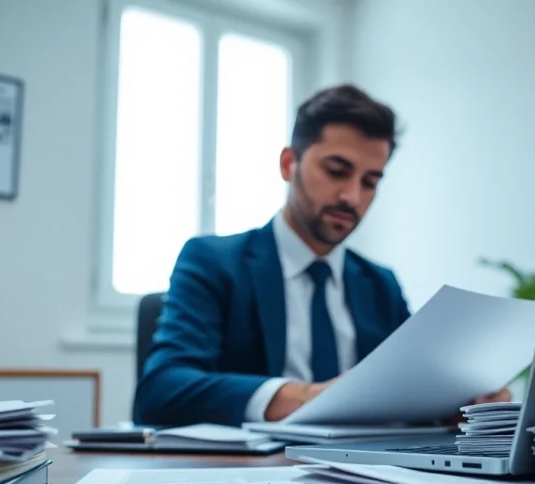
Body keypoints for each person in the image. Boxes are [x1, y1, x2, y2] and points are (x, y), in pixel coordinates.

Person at [133, 83, 509, 427]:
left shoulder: (380, 285)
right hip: (246, 477)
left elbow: (410, 387)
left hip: (361, 478)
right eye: (336, 171)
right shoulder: (213, 261)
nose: (353, 197)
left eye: (370, 182)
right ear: (288, 164)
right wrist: (308, 397)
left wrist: (462, 399)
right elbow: (162, 390)